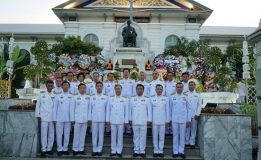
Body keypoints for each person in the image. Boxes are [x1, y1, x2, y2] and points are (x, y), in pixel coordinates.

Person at [106, 84, 129, 157]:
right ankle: (113, 151)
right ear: (114, 90)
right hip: (113, 120)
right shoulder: (111, 98)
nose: (118, 90)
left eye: (119, 89)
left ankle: (119, 151)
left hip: (121, 120)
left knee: (120, 137)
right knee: (113, 136)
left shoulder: (125, 99)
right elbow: (108, 110)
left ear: (121, 90)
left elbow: (126, 111)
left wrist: (126, 121)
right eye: (116, 89)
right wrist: (107, 120)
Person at [129, 84, 152, 158]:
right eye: (138, 89)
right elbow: (130, 110)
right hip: (135, 120)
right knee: (135, 137)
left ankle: (142, 151)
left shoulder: (147, 99)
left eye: (141, 89)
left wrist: (149, 120)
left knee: (143, 136)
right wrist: (130, 119)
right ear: (136, 90)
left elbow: (149, 110)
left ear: (143, 90)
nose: (139, 90)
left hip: (143, 121)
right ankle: (136, 150)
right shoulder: (132, 99)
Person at [170, 82, 191, 159]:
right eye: (178, 87)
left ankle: (181, 151)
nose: (179, 88)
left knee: (182, 136)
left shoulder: (186, 96)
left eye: (180, 87)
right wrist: (169, 120)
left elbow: (189, 109)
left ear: (183, 88)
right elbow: (170, 109)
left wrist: (188, 120)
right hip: (174, 119)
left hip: (183, 119)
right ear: (176, 88)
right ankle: (175, 151)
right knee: (175, 135)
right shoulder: (172, 96)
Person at [53, 81, 74, 156]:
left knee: (67, 134)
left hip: (68, 118)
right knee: (59, 134)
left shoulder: (71, 96)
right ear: (62, 87)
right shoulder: (57, 96)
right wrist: (54, 118)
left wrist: (72, 119)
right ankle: (59, 149)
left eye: (67, 85)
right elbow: (55, 108)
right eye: (64, 85)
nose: (65, 86)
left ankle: (65, 149)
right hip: (59, 118)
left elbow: (72, 109)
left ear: (69, 87)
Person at [35, 80, 56, 157]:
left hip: (52, 117)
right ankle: (43, 149)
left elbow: (56, 108)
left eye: (51, 86)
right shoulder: (41, 95)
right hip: (43, 117)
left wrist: (55, 118)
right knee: (44, 134)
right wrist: (38, 115)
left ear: (53, 87)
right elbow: (38, 105)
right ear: (46, 86)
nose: (50, 87)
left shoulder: (55, 95)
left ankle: (49, 149)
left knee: (51, 134)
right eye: (48, 86)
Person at [88, 81, 109, 156]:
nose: (99, 87)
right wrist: (89, 118)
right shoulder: (92, 97)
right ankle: (94, 149)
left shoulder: (106, 97)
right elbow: (89, 109)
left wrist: (107, 119)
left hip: (102, 119)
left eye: (100, 86)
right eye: (98, 86)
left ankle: (99, 150)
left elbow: (107, 109)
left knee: (101, 135)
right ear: (95, 87)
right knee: (94, 134)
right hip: (94, 119)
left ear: (102, 88)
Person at [150, 84, 170, 158]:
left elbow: (167, 110)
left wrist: (167, 120)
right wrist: (150, 120)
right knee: (155, 136)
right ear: (155, 90)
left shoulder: (166, 98)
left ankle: (160, 150)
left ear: (162, 90)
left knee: (162, 136)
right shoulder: (151, 98)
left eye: (160, 89)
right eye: (158, 89)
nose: (159, 90)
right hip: (154, 121)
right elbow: (150, 111)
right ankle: (155, 150)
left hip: (163, 120)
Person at [71, 83, 90, 155]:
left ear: (85, 89)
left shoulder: (88, 97)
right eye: (81, 88)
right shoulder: (75, 97)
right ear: (78, 89)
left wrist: (89, 119)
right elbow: (72, 109)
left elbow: (89, 109)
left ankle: (81, 149)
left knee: (83, 135)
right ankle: (75, 149)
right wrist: (72, 119)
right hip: (77, 119)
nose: (82, 89)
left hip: (85, 119)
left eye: (84, 88)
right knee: (76, 135)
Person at [118, 68, 136, 135]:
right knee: (122, 113)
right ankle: (122, 128)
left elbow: (134, 91)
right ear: (123, 73)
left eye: (127, 72)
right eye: (124, 72)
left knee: (129, 113)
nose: (125, 73)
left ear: (129, 73)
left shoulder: (133, 81)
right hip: (122, 99)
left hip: (129, 99)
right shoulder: (120, 81)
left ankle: (128, 128)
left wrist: (132, 99)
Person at [185, 81, 202, 149]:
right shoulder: (185, 94)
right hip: (187, 115)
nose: (191, 86)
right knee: (187, 129)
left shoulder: (198, 95)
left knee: (193, 129)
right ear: (188, 86)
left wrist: (197, 114)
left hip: (194, 115)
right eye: (190, 85)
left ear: (195, 86)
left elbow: (199, 105)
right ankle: (186, 142)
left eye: (192, 85)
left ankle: (192, 143)